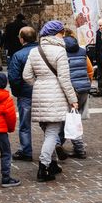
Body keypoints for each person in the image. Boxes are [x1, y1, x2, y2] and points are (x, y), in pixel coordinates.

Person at [22, 20, 78, 182]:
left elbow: (26, 76)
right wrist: (73, 99)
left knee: (48, 132)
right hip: (56, 95)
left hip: (39, 94)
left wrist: (39, 84)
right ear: (57, 34)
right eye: (62, 32)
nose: (64, 35)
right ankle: (44, 166)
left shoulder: (34, 51)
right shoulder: (60, 51)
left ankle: (52, 163)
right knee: (53, 132)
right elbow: (64, 79)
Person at [57, 29, 91, 159]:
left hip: (72, 90)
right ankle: (59, 143)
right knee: (72, 118)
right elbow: (89, 70)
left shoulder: (62, 54)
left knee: (70, 119)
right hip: (83, 88)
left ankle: (77, 148)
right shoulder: (83, 52)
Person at [7, 25, 38, 161]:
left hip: (25, 93)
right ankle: (55, 145)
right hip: (44, 92)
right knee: (50, 123)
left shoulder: (18, 55)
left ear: (21, 39)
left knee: (25, 124)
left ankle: (26, 151)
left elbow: (14, 78)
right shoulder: (43, 52)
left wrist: (17, 92)